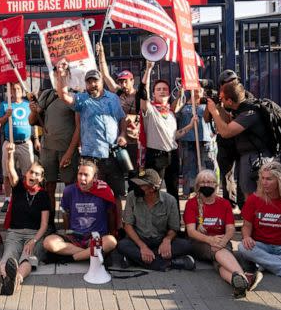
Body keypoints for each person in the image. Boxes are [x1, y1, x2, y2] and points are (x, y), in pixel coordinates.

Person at [54, 60, 128, 228]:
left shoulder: (113, 98)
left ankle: (118, 229)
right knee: (95, 194)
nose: (93, 84)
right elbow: (63, 95)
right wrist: (62, 75)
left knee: (115, 195)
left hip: (112, 155)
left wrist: (123, 134)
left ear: (101, 81)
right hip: (91, 158)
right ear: (85, 84)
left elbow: (122, 118)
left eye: (95, 80)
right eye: (89, 81)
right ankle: (98, 231)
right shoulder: (82, 100)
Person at [183, 170, 262, 298]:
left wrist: (223, 241)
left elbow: (230, 229)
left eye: (210, 182)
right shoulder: (191, 204)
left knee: (219, 264)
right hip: (200, 243)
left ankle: (239, 283)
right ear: (197, 186)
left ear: (216, 185)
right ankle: (244, 276)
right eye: (203, 182)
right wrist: (210, 240)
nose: (206, 184)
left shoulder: (224, 203)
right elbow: (191, 232)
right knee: (219, 252)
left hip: (222, 241)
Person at [0, 142, 50, 295]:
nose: (33, 175)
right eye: (31, 172)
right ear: (26, 174)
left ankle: (15, 280)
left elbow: (44, 224)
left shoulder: (43, 196)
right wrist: (10, 154)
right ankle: (0, 277)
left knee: (28, 258)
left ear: (41, 178)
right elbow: (10, 170)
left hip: (34, 234)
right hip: (15, 233)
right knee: (8, 256)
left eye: (37, 174)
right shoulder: (19, 188)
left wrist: (34, 240)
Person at [207, 81, 272, 208]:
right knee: (251, 192)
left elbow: (225, 132)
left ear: (230, 101)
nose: (221, 101)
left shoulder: (248, 113)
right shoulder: (242, 109)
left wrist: (214, 112)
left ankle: (256, 223)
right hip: (251, 155)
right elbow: (228, 123)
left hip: (255, 158)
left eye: (222, 99)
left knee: (251, 194)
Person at [116, 169, 195, 271]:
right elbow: (127, 225)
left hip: (160, 240)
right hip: (139, 240)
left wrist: (167, 241)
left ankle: (136, 260)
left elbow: (174, 228)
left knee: (186, 245)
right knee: (122, 245)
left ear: (153, 188)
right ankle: (169, 263)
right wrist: (142, 246)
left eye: (142, 185)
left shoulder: (170, 200)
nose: (137, 188)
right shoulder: (132, 196)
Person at [140, 62, 194, 208]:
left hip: (172, 155)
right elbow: (142, 93)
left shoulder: (170, 113)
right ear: (153, 93)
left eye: (165, 89)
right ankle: (154, 226)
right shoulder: (150, 110)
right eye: (158, 89)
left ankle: (175, 225)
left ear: (169, 93)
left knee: (173, 191)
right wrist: (149, 69)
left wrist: (189, 126)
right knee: (152, 191)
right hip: (156, 156)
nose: (162, 91)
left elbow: (173, 136)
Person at [43, 160, 117, 262]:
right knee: (48, 242)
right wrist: (67, 232)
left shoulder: (105, 191)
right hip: (75, 236)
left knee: (111, 242)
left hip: (96, 237)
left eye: (86, 175)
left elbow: (111, 214)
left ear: (95, 177)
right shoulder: (69, 191)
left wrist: (112, 233)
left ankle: (72, 258)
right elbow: (65, 213)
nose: (82, 178)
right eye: (80, 174)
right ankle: (88, 254)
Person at [28, 85, 79, 226]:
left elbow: (79, 126)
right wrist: (33, 111)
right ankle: (49, 225)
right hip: (47, 149)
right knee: (48, 186)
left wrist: (70, 151)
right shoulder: (47, 94)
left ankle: (71, 225)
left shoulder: (75, 95)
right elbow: (32, 120)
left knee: (70, 187)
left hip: (67, 149)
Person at [96, 42, 143, 174]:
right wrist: (101, 54)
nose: (123, 83)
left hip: (135, 138)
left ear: (132, 80)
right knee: (118, 170)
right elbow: (105, 75)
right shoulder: (117, 92)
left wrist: (133, 117)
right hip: (118, 137)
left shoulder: (140, 96)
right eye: (120, 81)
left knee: (135, 171)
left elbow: (147, 113)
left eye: (125, 81)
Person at [203, 70, 244, 208]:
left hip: (241, 140)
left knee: (244, 175)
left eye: (234, 81)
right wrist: (213, 104)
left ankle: (244, 204)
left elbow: (235, 119)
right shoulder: (218, 98)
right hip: (225, 142)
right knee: (226, 175)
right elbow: (206, 118)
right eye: (228, 83)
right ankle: (230, 204)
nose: (233, 84)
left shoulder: (243, 95)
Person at [0, 82, 37, 212]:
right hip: (10, 143)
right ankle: (8, 199)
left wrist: (36, 139)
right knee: (7, 172)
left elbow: (34, 122)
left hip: (25, 143)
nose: (16, 91)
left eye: (18, 89)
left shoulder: (27, 105)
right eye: (13, 89)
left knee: (28, 172)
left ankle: (28, 196)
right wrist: (6, 116)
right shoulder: (5, 105)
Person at [177, 89, 217, 198]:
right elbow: (176, 116)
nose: (196, 91)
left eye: (199, 89)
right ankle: (187, 192)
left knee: (208, 166)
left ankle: (210, 190)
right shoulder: (182, 106)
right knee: (188, 167)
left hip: (205, 141)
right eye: (194, 89)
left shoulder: (208, 105)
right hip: (187, 141)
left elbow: (216, 119)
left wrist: (214, 132)